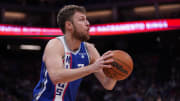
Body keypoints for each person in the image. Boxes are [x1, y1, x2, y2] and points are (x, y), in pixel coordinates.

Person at [33, 5, 117, 101]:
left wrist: (115, 72)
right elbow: (56, 77)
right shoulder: (55, 44)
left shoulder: (90, 50)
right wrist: (91, 68)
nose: (88, 23)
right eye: (82, 20)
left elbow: (107, 84)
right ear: (69, 25)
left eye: (87, 19)